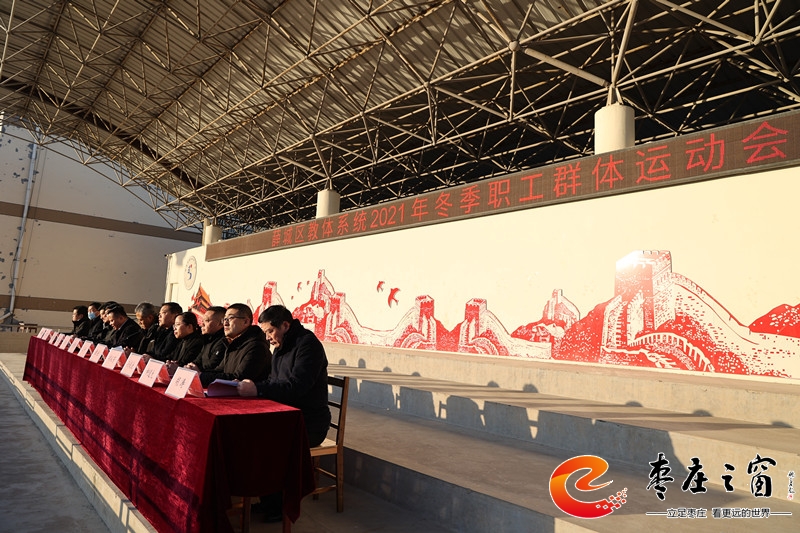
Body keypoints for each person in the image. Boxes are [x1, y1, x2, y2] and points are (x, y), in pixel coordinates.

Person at [238, 305, 331, 447]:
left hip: (307, 422)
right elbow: (272, 380)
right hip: (283, 414)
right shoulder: (280, 344)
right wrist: (252, 385)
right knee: (241, 426)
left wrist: (258, 389)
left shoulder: (308, 345)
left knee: (255, 438)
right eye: (265, 333)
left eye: (270, 331)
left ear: (285, 325)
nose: (267, 338)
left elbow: (297, 386)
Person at [198, 303, 270, 387]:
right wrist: (197, 374)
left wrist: (201, 376)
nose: (225, 323)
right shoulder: (232, 343)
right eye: (224, 319)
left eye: (230, 318)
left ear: (246, 322)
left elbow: (238, 378)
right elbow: (220, 370)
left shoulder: (257, 346)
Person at [186, 306, 227, 372]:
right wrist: (189, 366)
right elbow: (198, 360)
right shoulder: (208, 339)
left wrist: (198, 370)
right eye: (202, 320)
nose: (202, 324)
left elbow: (213, 365)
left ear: (221, 323)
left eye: (207, 320)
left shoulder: (224, 341)